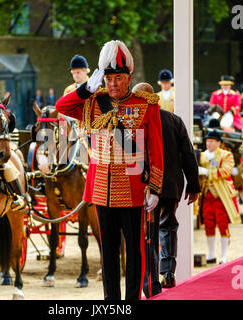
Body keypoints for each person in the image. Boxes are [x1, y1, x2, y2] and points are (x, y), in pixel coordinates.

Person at [55, 41, 164, 300]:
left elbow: (156, 149)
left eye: (119, 78)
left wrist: (155, 187)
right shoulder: (93, 102)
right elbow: (62, 106)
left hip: (134, 190)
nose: (113, 84)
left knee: (135, 252)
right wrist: (85, 89)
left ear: (129, 78)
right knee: (108, 252)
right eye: (109, 78)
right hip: (102, 189)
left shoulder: (146, 104)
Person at [133, 83, 200, 297]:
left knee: (148, 233)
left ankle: (151, 281)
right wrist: (193, 185)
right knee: (169, 225)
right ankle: (168, 272)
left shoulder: (133, 121)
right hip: (172, 184)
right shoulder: (174, 120)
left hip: (144, 186)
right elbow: (189, 155)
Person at [199, 130, 240, 264]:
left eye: (211, 141)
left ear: (218, 142)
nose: (208, 143)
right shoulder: (201, 155)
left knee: (223, 223)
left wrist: (207, 172)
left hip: (221, 195)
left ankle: (224, 255)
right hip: (207, 194)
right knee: (208, 223)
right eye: (207, 141)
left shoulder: (226, 155)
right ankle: (211, 253)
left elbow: (226, 171)